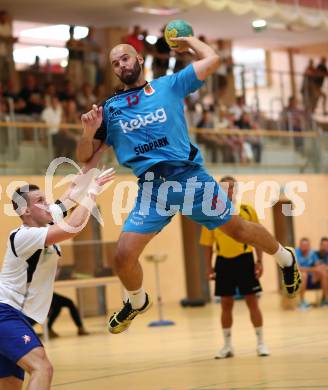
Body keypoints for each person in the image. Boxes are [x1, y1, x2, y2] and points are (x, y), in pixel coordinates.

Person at [77, 36, 301, 335]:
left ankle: (285, 258)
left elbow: (213, 60)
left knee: (238, 229)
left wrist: (189, 42)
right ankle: (137, 300)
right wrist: (88, 131)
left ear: (140, 60)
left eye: (126, 58)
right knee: (122, 256)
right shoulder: (111, 109)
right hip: (153, 189)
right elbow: (85, 158)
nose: (121, 65)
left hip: (190, 178)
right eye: (116, 63)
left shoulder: (169, 86)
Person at [0, 166, 115, 390]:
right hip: (4, 316)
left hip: (9, 318)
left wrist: (80, 183)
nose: (48, 204)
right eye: (40, 201)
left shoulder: (44, 222)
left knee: (9, 385)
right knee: (43, 368)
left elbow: (66, 202)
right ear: (25, 211)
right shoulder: (24, 235)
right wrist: (92, 192)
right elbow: (72, 228)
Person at [200, 176, 269, 359]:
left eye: (231, 187)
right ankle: (227, 345)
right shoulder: (210, 212)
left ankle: (261, 343)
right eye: (224, 187)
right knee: (226, 304)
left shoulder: (247, 210)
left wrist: (260, 261)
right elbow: (207, 244)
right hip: (223, 262)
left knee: (252, 302)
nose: (228, 190)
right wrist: (208, 267)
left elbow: (258, 237)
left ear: (236, 190)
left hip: (245, 260)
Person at [295, 238, 328, 309]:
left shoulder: (312, 253)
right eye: (303, 245)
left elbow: (317, 265)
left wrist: (321, 267)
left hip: (311, 278)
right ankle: (302, 301)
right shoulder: (296, 252)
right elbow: (298, 268)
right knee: (303, 274)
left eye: (306, 245)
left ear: (309, 246)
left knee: (324, 273)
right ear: (300, 246)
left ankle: (325, 300)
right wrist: (313, 269)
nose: (305, 247)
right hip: (298, 279)